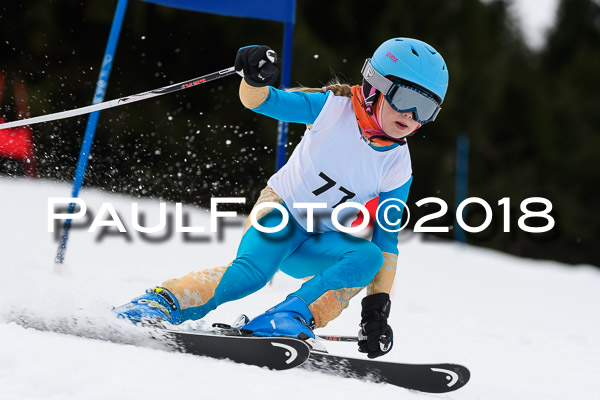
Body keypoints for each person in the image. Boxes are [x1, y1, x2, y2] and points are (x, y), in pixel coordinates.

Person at [114, 38, 449, 359]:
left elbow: (387, 240)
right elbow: (261, 101)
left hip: (317, 240)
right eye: (407, 99)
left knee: (369, 256)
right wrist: (254, 78)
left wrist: (376, 312)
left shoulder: (398, 167)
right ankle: (159, 303)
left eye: (427, 108)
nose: (412, 117)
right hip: (279, 213)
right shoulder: (332, 109)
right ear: (376, 86)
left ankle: (286, 319)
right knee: (252, 274)